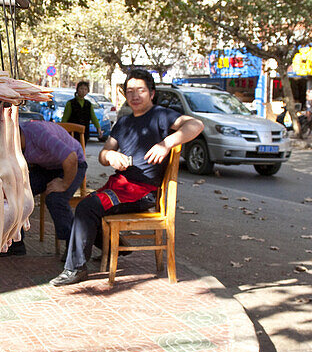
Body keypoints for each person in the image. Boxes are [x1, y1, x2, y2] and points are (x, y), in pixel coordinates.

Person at [49, 70, 203, 286]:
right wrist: (110, 155)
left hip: (142, 192)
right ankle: (112, 247)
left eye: (140, 90)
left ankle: (76, 268)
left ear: (151, 93)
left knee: (87, 207)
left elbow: (196, 125)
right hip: (119, 187)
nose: (134, 95)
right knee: (86, 206)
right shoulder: (123, 123)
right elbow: (103, 155)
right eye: (129, 91)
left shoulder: (161, 115)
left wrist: (166, 144)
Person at [7, 119, 86, 256]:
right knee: (14, 192)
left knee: (55, 198)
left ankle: (75, 247)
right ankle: (16, 243)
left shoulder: (38, 133)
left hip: (73, 165)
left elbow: (70, 158)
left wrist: (64, 183)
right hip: (45, 167)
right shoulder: (11, 143)